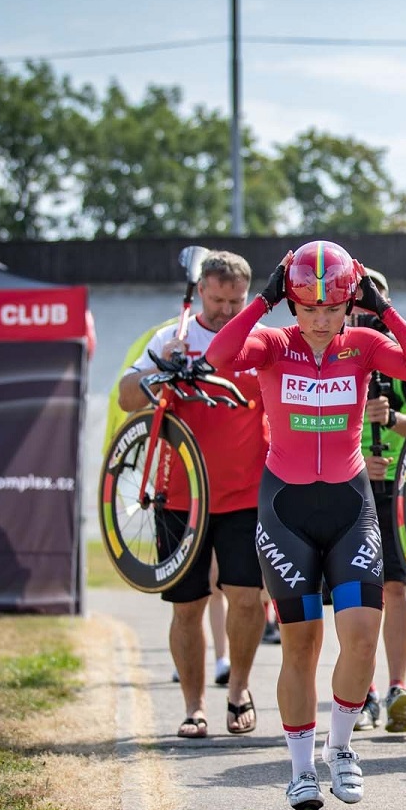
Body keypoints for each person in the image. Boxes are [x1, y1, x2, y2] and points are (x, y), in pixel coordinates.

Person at [205, 240, 406, 810]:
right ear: (292, 304)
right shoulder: (273, 343)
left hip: (349, 506)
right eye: (308, 308)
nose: (319, 320)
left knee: (360, 636)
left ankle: (341, 749)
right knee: (301, 645)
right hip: (285, 510)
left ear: (347, 304)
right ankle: (301, 769)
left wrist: (382, 309)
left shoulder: (360, 345)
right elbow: (219, 355)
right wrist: (263, 301)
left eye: (331, 308)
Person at [117, 250, 267, 740]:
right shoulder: (172, 337)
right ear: (201, 290)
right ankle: (193, 706)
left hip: (246, 493)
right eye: (219, 299)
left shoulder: (258, 340)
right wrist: (160, 373)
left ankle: (239, 690)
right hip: (179, 497)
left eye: (236, 300)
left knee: (246, 600)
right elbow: (126, 395)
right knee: (188, 606)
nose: (226, 310)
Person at [349, 268, 406, 735]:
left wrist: (392, 417)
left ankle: (398, 685)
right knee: (355, 594)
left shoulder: (402, 348)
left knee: (396, 586)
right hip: (348, 483)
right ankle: (361, 693)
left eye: (372, 303)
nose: (364, 313)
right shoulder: (332, 344)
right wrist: (360, 455)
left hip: (399, 485)